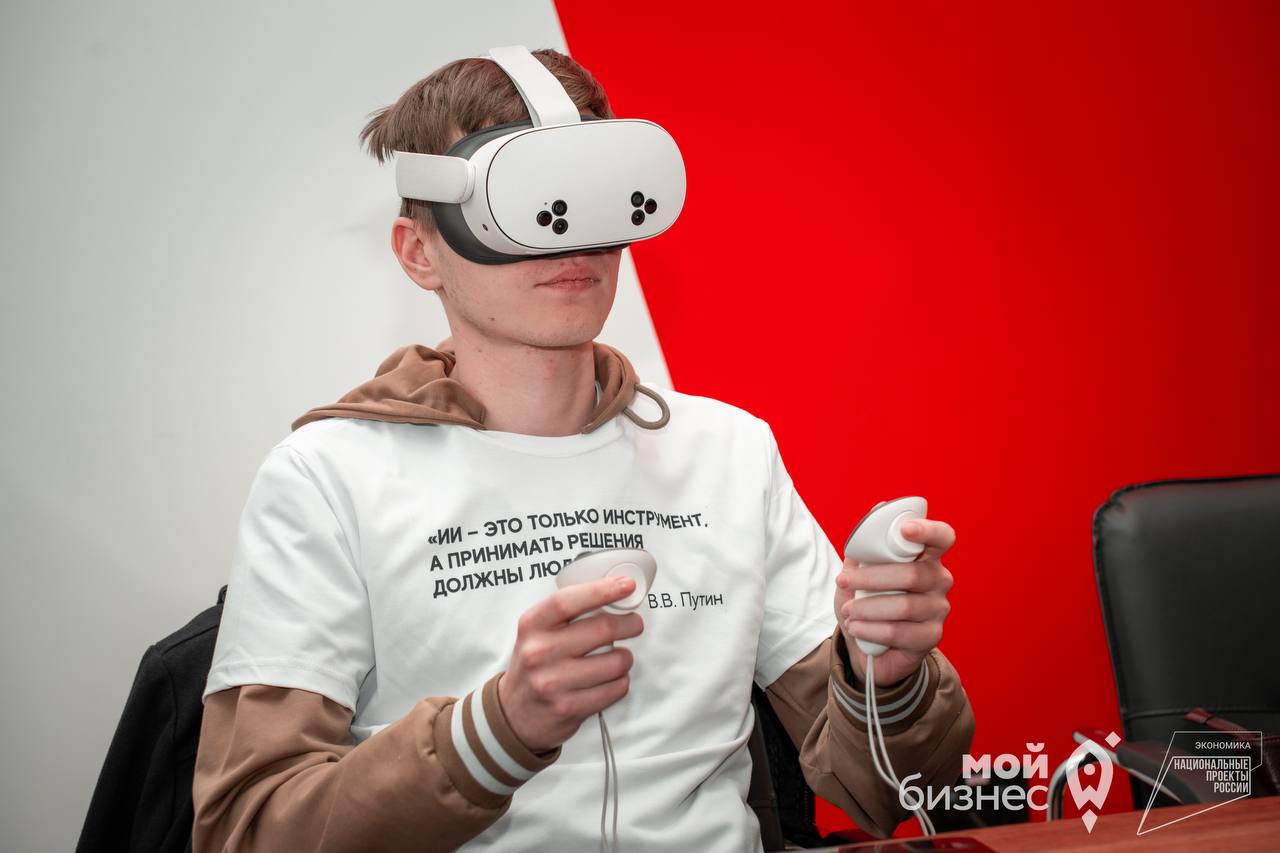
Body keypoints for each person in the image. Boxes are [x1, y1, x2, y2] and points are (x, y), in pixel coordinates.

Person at [192, 48, 974, 852]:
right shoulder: (327, 479)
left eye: (593, 194)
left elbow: (892, 788)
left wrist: (885, 678)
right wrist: (493, 730)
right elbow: (245, 830)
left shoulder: (729, 455)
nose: (567, 236)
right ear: (419, 251)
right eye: (518, 200)